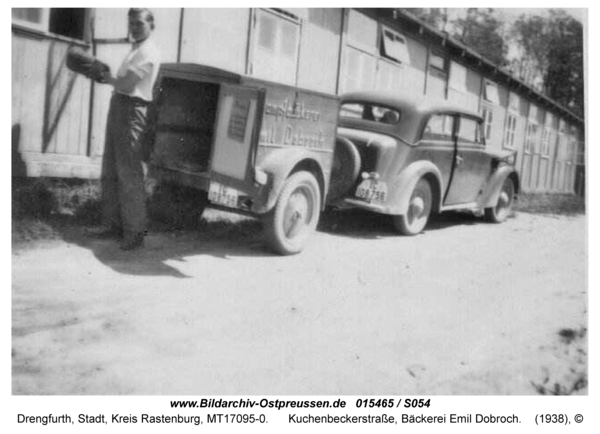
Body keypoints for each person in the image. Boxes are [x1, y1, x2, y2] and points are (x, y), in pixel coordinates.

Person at [89, 8, 161, 250]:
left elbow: (129, 85)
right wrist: (109, 78)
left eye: (139, 23)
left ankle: (135, 231)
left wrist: (105, 76)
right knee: (110, 167)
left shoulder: (149, 51)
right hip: (119, 105)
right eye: (131, 23)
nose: (134, 27)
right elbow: (121, 84)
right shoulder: (136, 50)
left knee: (129, 172)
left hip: (133, 109)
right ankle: (113, 225)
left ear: (151, 25)